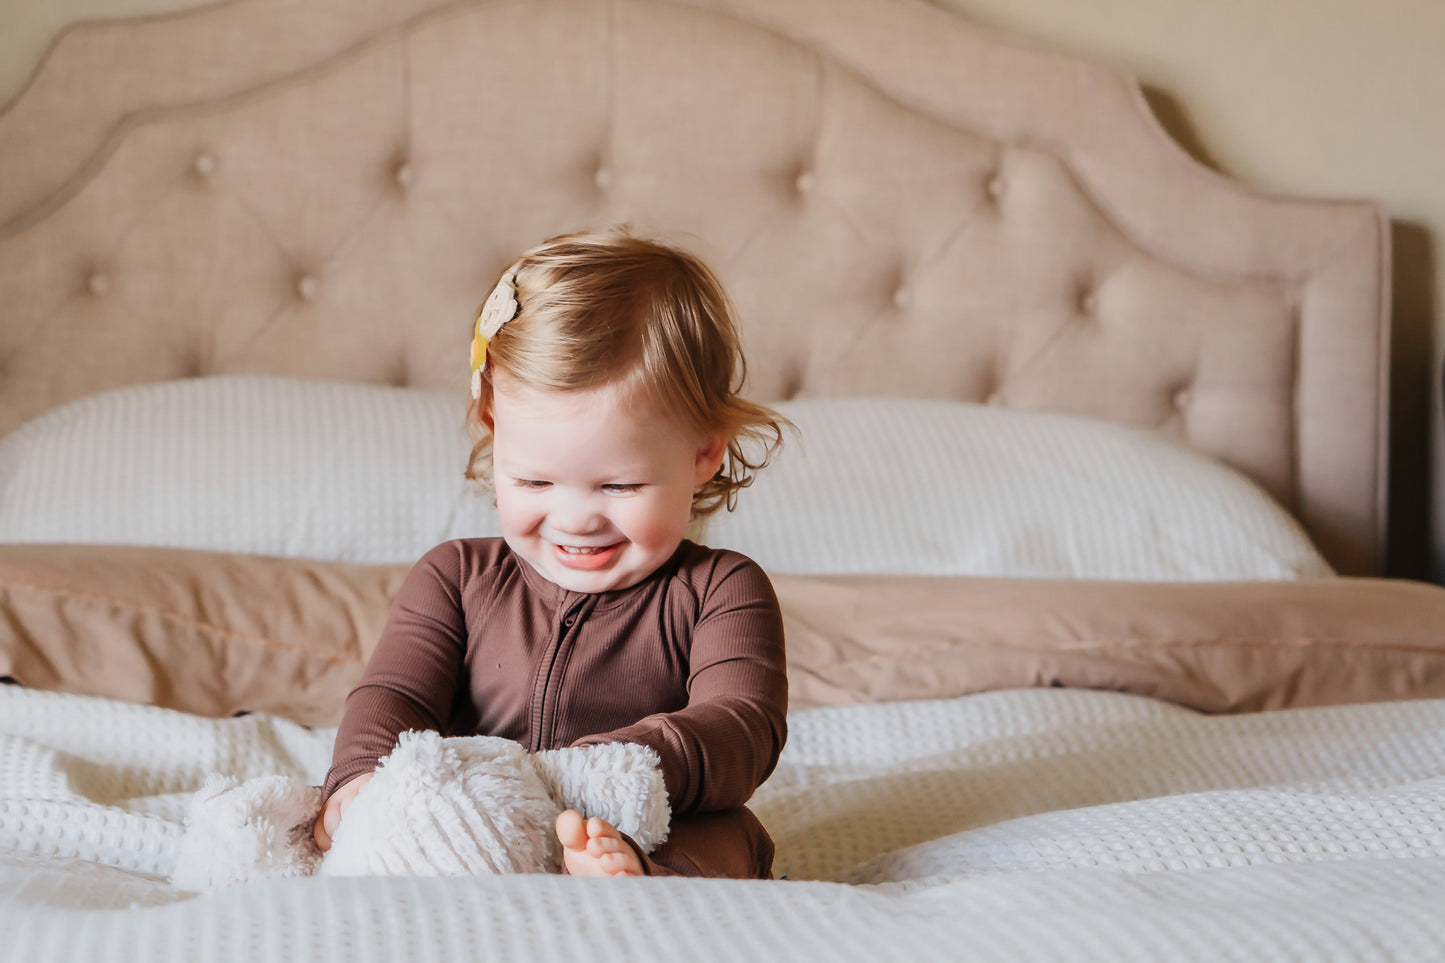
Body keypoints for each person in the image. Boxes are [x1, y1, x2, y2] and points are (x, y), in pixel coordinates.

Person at [313, 231, 790, 878]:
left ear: (705, 452)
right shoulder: (453, 578)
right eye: (534, 481)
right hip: (477, 821)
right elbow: (394, 695)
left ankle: (633, 880)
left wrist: (599, 772)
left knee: (730, 834)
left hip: (649, 819)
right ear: (491, 427)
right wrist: (358, 780)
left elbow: (740, 726)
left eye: (618, 485)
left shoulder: (720, 590)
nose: (574, 517)